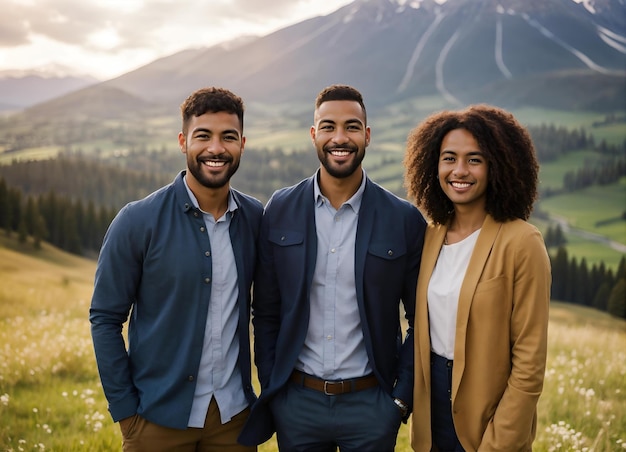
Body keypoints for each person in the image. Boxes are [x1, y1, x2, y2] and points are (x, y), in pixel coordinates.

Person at [238, 84, 426, 451]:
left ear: (367, 135)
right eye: (328, 127)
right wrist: (276, 390)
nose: (340, 138)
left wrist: (400, 401)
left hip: (372, 406)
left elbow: (422, 320)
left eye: (352, 127)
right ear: (313, 134)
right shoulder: (280, 209)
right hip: (298, 405)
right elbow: (267, 312)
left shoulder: (403, 220)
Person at [89, 87, 263, 451]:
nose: (216, 148)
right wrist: (126, 414)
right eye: (203, 136)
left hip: (234, 420)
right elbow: (105, 318)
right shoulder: (137, 221)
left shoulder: (255, 219)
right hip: (157, 421)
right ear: (183, 141)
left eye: (228, 137)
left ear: (242, 144)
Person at [403, 104, 551, 451]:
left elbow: (529, 363)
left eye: (475, 159)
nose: (460, 170)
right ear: (432, 164)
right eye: (449, 158)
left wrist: (500, 441)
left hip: (488, 416)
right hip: (432, 410)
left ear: (497, 166)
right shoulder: (430, 236)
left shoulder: (522, 242)